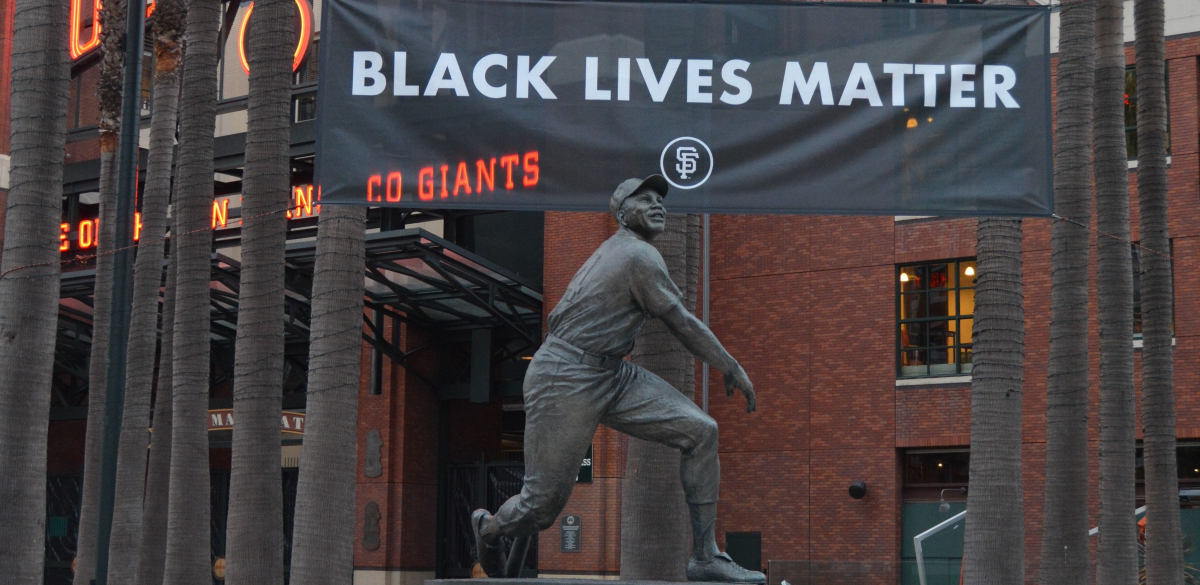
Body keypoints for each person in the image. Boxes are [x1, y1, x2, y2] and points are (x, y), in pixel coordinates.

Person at [472, 175, 763, 583]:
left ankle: (705, 556)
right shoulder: (635, 255)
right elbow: (681, 323)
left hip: (613, 372)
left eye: (661, 199)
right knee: (541, 507)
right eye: (645, 199)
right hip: (565, 373)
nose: (658, 205)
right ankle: (488, 528)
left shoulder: (637, 253)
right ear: (623, 215)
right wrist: (731, 366)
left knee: (702, 432)